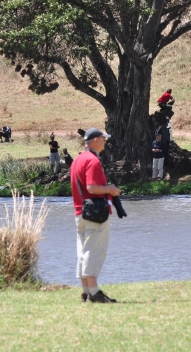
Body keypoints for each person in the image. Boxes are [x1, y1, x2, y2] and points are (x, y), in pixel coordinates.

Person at [71, 128, 121, 303]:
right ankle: (94, 292)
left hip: (80, 212)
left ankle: (86, 291)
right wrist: (111, 190)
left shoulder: (77, 159)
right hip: (95, 213)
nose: (105, 142)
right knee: (94, 251)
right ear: (95, 141)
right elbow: (92, 188)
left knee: (83, 250)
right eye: (103, 139)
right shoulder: (92, 161)